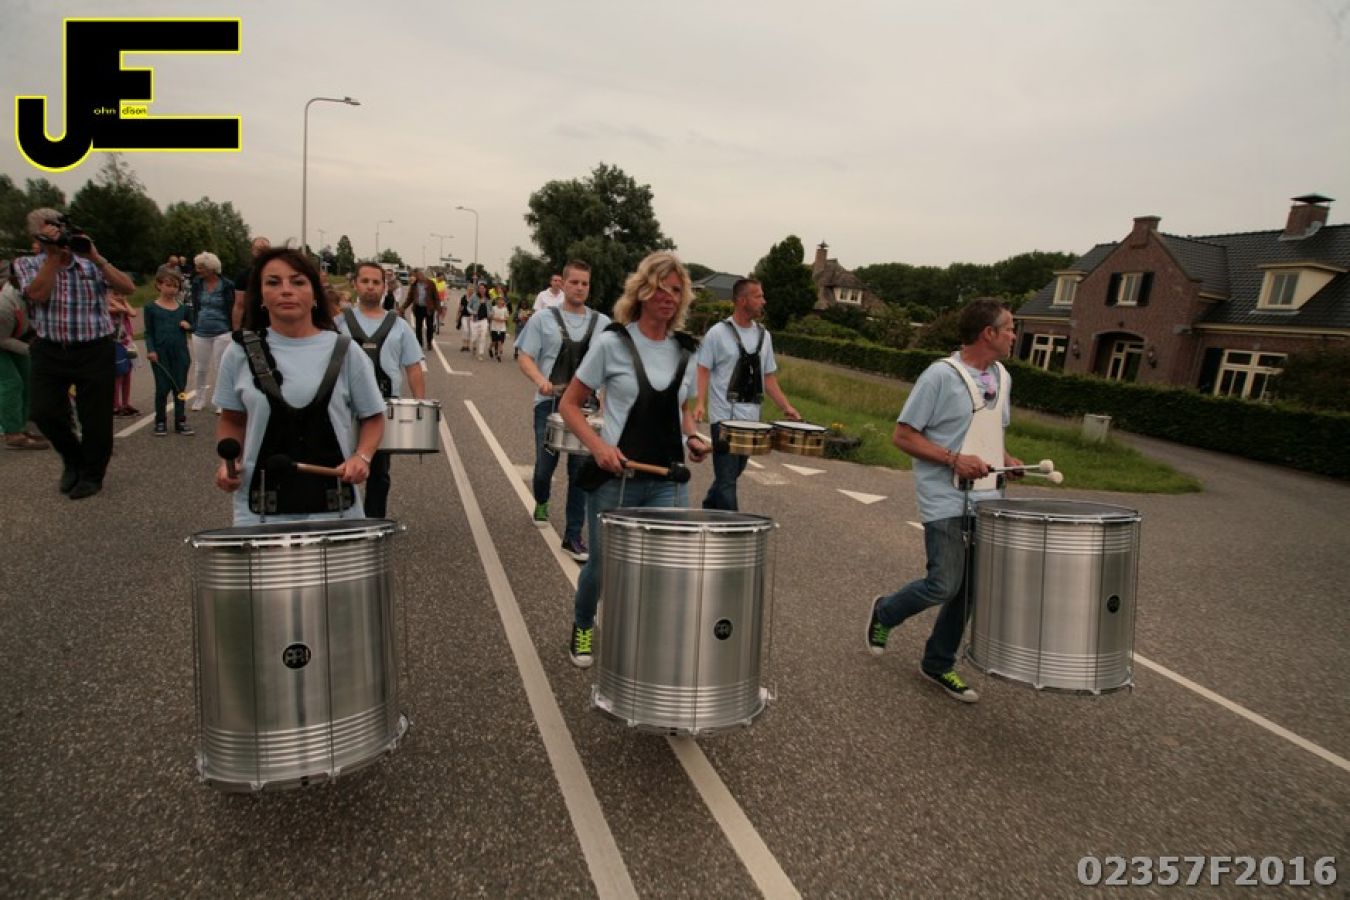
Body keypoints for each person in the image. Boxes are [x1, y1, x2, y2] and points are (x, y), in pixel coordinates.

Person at [865, 298, 1023, 703]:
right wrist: (954, 459)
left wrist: (1006, 460)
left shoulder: (1002, 378)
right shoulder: (939, 376)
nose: (1014, 335)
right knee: (943, 584)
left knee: (969, 591)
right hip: (945, 498)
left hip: (988, 499)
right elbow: (903, 436)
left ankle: (938, 663)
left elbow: (990, 435)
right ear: (988, 333)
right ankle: (885, 611)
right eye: (1009, 328)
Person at [558, 251, 711, 667]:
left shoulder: (685, 351)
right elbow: (570, 404)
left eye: (676, 290)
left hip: (668, 482)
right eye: (660, 288)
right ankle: (583, 623)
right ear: (642, 291)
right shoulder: (612, 343)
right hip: (615, 481)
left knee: (667, 568)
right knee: (602, 568)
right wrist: (599, 447)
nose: (668, 296)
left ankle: (647, 644)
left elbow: (682, 411)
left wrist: (693, 438)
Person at [213, 247, 384, 526]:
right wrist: (227, 465)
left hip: (336, 508)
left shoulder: (346, 352)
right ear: (261, 295)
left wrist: (362, 457)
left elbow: (373, 416)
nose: (286, 290)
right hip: (259, 512)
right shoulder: (238, 352)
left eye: (297, 282)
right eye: (273, 282)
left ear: (315, 294)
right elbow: (232, 419)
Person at [15, 208, 137, 499]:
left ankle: (93, 474)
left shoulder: (89, 263)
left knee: (95, 419)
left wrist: (95, 256)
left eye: (60, 230)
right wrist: (53, 258)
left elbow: (127, 287)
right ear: (37, 237)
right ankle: (72, 458)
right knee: (43, 412)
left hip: (94, 349)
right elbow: (38, 295)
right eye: (49, 232)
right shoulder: (26, 264)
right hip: (50, 349)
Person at [517, 260, 611, 562]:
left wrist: (606, 399)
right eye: (574, 282)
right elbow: (524, 356)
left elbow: (611, 367)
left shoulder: (603, 324)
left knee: (580, 472)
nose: (580, 288)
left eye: (585, 283)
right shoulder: (543, 319)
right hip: (549, 404)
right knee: (544, 468)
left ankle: (573, 536)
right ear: (563, 284)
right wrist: (540, 381)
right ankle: (542, 499)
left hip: (586, 409)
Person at [693, 278, 801, 510]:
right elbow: (703, 369)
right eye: (758, 296)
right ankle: (733, 526)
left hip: (752, 421)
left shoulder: (764, 336)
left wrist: (786, 407)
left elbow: (768, 377)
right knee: (727, 480)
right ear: (742, 301)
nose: (764, 301)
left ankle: (709, 507)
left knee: (731, 475)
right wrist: (700, 402)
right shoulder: (717, 333)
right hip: (724, 420)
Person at [338, 261, 425, 519]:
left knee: (379, 472)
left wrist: (419, 405)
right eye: (365, 281)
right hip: (343, 407)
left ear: (384, 287)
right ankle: (342, 521)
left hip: (383, 408)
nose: (370, 287)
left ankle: (373, 522)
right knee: (339, 466)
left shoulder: (399, 326)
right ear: (355, 285)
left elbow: (413, 367)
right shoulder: (338, 323)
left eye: (376, 282)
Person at [0, 260, 49, 450]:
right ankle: (12, 433)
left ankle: (21, 427)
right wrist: (34, 350)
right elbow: (3, 340)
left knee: (28, 379)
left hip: (14, 337)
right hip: (3, 339)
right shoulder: (5, 304)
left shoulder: (34, 297)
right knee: (12, 383)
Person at [142, 266, 194, 436]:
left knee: (180, 389)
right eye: (168, 285)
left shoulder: (183, 308)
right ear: (159, 285)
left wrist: (188, 326)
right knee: (162, 388)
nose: (172, 289)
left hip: (180, 354)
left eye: (175, 286)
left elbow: (194, 326)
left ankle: (180, 420)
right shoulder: (151, 308)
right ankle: (160, 421)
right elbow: (149, 332)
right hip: (160, 353)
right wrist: (151, 350)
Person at [188, 251, 236, 414]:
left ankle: (221, 400)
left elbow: (233, 306)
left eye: (201, 267)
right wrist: (192, 324)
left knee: (220, 367)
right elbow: (193, 305)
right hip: (200, 330)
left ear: (211, 268)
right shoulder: (196, 283)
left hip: (222, 331)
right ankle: (199, 398)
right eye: (197, 267)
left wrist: (234, 328)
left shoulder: (227, 285)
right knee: (200, 368)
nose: (198, 270)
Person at [107, 289, 139, 417]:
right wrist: (111, 300)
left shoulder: (123, 304)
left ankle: (126, 403)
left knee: (128, 372)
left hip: (128, 343)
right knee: (118, 374)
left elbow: (133, 313)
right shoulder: (105, 306)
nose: (119, 296)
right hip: (115, 344)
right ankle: (116, 405)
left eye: (122, 294)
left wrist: (124, 301)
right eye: (116, 293)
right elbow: (121, 310)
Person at [231, 236, 270, 329]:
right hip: (250, 325)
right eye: (258, 249)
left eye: (264, 249)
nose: (261, 252)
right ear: (252, 250)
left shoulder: (279, 273)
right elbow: (239, 305)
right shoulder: (243, 275)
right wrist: (236, 330)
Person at [399, 269, 441, 351]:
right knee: (418, 327)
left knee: (429, 326)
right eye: (417, 276)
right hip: (418, 308)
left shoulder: (431, 283)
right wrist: (403, 307)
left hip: (429, 308)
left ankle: (429, 342)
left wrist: (438, 308)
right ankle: (419, 343)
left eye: (420, 275)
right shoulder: (414, 285)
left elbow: (436, 297)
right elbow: (409, 298)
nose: (419, 277)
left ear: (423, 275)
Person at [488, 293, 509, 361]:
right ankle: (490, 349)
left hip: (502, 328)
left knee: (500, 342)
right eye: (499, 300)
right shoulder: (493, 308)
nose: (500, 301)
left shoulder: (505, 309)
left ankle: (499, 356)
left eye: (501, 300)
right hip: (494, 327)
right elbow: (490, 316)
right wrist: (495, 318)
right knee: (494, 342)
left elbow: (507, 317)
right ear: (496, 301)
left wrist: (503, 319)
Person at [471, 290, 491, 360]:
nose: (482, 290)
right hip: (475, 320)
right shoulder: (474, 297)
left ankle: (481, 354)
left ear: (485, 290)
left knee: (483, 337)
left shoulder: (488, 299)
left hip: (484, 320)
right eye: (480, 288)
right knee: (474, 338)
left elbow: (491, 309)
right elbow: (468, 307)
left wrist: (490, 314)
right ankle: (474, 346)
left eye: (483, 288)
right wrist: (472, 312)